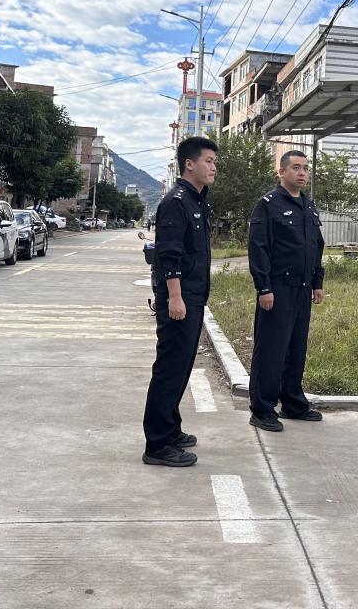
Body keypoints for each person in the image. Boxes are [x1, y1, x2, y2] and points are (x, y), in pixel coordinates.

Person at [141, 136, 218, 467]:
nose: (214, 167)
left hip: (193, 295)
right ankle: (157, 444)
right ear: (190, 163)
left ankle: (170, 428)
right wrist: (175, 297)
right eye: (209, 161)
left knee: (181, 366)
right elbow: (169, 253)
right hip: (180, 296)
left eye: (215, 162)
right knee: (170, 368)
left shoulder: (197, 200)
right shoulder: (177, 201)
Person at [247, 150, 325, 431]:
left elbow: (317, 246)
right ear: (281, 172)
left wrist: (318, 281)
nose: (302, 173)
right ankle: (262, 408)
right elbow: (258, 249)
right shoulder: (268, 205)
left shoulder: (309, 206)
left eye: (305, 168)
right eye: (295, 168)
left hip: (303, 289)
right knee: (271, 349)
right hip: (277, 289)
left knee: (296, 348)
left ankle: (292, 402)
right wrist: (263, 287)